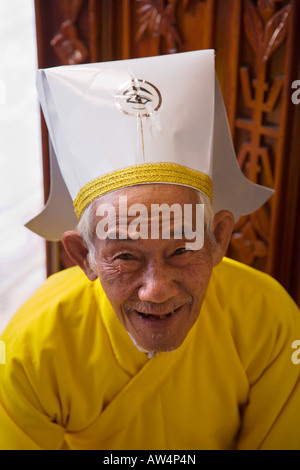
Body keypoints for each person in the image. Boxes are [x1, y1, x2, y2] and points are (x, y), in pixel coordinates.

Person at [0, 50, 299, 450]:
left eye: (180, 250)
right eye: (125, 256)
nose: (155, 290)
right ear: (83, 256)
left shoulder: (269, 319)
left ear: (219, 239)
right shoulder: (31, 347)